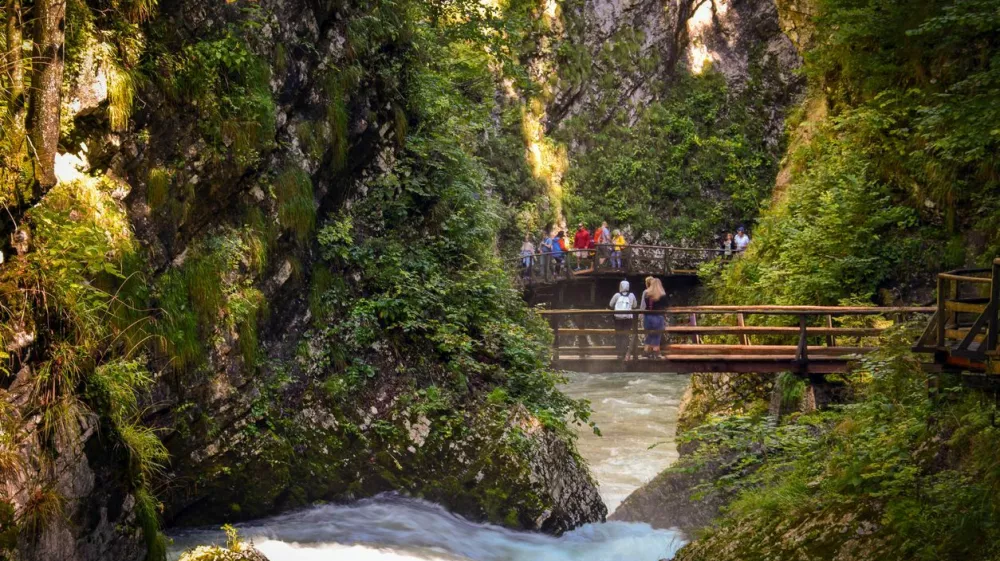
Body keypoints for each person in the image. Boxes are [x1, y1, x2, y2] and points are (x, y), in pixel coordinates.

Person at [639, 276, 668, 357]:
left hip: (648, 317)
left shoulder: (647, 294)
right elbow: (666, 305)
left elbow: (644, 305)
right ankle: (655, 351)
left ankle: (646, 351)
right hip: (658, 317)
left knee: (650, 334)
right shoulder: (662, 294)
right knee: (657, 334)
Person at [609, 280, 637, 360]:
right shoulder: (631, 295)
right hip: (628, 318)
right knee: (626, 335)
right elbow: (634, 306)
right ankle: (625, 352)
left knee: (618, 335)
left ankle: (619, 353)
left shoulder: (617, 295)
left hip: (618, 318)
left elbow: (610, 304)